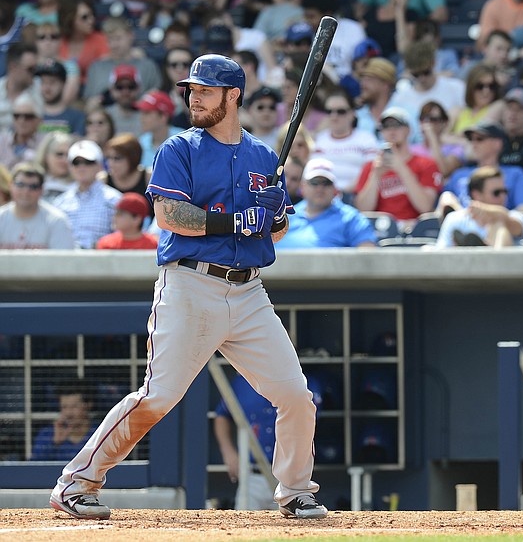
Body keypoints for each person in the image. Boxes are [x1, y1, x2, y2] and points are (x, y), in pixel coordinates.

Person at [49, 54, 328, 520]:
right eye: (191, 90)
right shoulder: (179, 149)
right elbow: (170, 217)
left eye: (205, 90)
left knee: (296, 395)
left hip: (249, 292)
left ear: (232, 95)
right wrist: (238, 219)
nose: (194, 97)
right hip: (190, 285)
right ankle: (76, 483)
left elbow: (272, 231)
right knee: (158, 396)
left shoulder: (263, 156)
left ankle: (295, 490)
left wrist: (275, 215)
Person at [354, 107, 441, 227]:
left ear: (408, 130)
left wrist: (401, 168)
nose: (391, 130)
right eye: (386, 126)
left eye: (396, 125)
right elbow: (363, 211)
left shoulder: (426, 164)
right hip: (381, 228)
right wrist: (375, 176)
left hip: (415, 228)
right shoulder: (371, 167)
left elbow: (425, 207)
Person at [213, 373, 280, 510]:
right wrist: (228, 452)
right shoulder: (242, 382)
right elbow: (222, 415)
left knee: (290, 528)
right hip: (251, 474)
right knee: (243, 526)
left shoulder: (300, 380)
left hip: (287, 476)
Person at [277, 158, 377, 249]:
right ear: (303, 186)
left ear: (335, 188)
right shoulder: (286, 216)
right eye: (314, 182)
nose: (320, 188)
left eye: (326, 183)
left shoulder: (351, 219)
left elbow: (368, 256)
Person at [442, 121, 523, 211]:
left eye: (479, 139)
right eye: (471, 139)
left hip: (499, 225)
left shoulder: (515, 174)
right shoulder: (459, 174)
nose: (474, 144)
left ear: (497, 143)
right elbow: (443, 205)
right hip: (462, 225)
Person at [52, 139, 121, 249]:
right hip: (66, 261)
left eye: (88, 162)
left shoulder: (114, 199)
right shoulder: (60, 202)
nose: (81, 167)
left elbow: (121, 238)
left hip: (102, 261)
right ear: (70, 167)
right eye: (76, 163)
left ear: (100, 166)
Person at [436, 166, 523, 248]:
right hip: (461, 263)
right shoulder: (455, 218)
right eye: (497, 193)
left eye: (505, 191)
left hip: (502, 264)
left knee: (500, 226)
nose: (503, 197)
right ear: (477, 195)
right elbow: (441, 252)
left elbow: (514, 226)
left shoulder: (514, 216)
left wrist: (487, 211)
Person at [312, 90, 380, 196]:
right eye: (329, 111)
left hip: (357, 194)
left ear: (353, 113)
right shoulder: (320, 140)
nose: (334, 116)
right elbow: (314, 172)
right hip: (324, 196)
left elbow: (371, 171)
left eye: (341, 111)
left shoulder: (366, 139)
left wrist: (342, 192)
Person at [83, 16, 163, 100]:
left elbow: (156, 97)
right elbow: (88, 100)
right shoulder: (96, 67)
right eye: (109, 40)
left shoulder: (148, 66)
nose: (114, 44)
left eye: (118, 38)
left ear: (131, 36)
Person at [0, 161, 75, 249]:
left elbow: (63, 260)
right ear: (10, 186)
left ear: (42, 189)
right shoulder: (1, 218)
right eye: (20, 185)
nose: (26, 191)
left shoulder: (56, 221)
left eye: (33, 187)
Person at [31, 379, 98, 461]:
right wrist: (55, 443)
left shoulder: (100, 434)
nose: (68, 413)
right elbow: (34, 468)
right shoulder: (47, 435)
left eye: (74, 407)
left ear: (88, 405)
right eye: (64, 407)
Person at [409, 101, 464, 178]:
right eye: (422, 118)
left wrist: (432, 137)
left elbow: (442, 171)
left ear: (445, 123)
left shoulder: (456, 148)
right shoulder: (411, 149)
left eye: (433, 119)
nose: (426, 123)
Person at [0, 43, 43, 133]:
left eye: (36, 69)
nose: (34, 73)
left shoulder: (41, 90)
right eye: (30, 69)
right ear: (12, 67)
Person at [36, 59, 85, 135]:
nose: (47, 87)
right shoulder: (29, 116)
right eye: (43, 82)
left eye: (52, 82)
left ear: (63, 84)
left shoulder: (77, 117)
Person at [136, 91, 182, 171]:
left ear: (163, 116)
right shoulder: (141, 142)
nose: (141, 118)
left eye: (147, 113)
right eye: (142, 113)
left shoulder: (184, 140)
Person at [354, 57, 398, 139]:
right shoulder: (355, 116)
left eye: (369, 79)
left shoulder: (404, 113)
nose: (362, 84)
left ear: (385, 84)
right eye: (362, 79)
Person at [0, 94, 45, 170]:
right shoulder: (2, 141)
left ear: (39, 120)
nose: (21, 121)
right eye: (17, 116)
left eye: (28, 116)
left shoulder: (45, 143)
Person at [101, 134, 150, 200]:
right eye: (108, 158)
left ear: (133, 158)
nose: (110, 163)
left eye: (117, 158)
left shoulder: (149, 178)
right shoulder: (103, 180)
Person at [34, 130, 76, 202]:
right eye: (59, 154)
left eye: (68, 155)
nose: (65, 160)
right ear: (46, 155)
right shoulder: (33, 181)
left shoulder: (80, 184)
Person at [103, 65, 143, 138]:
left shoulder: (148, 115)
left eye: (131, 86)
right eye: (119, 87)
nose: (125, 92)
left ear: (138, 89)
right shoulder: (103, 116)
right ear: (111, 89)